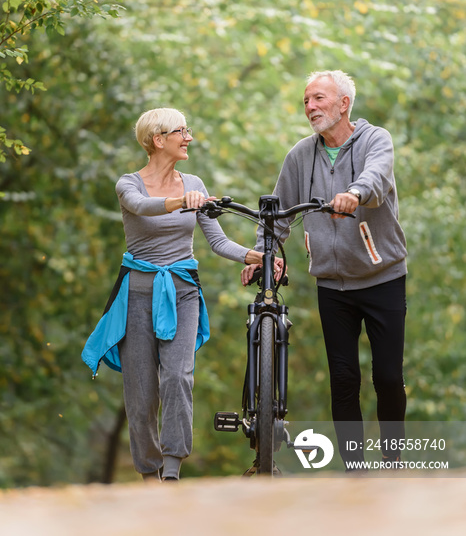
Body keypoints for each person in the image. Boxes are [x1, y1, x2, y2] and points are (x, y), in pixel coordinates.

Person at [82, 107, 266, 482]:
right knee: (141, 391)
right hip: (137, 293)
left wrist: (253, 255)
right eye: (181, 131)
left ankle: (171, 470)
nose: (189, 137)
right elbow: (141, 207)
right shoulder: (128, 183)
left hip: (182, 291)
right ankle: (148, 473)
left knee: (178, 378)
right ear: (158, 139)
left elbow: (216, 240)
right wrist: (181, 201)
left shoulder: (194, 182)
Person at [242, 70, 408, 470]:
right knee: (344, 378)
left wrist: (354, 193)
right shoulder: (301, 155)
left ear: (343, 104)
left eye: (318, 99)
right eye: (306, 101)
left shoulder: (374, 140)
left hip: (382, 275)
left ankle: (393, 457)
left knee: (386, 376)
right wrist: (262, 253)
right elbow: (278, 216)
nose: (310, 107)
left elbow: (377, 176)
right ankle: (355, 467)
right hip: (332, 285)